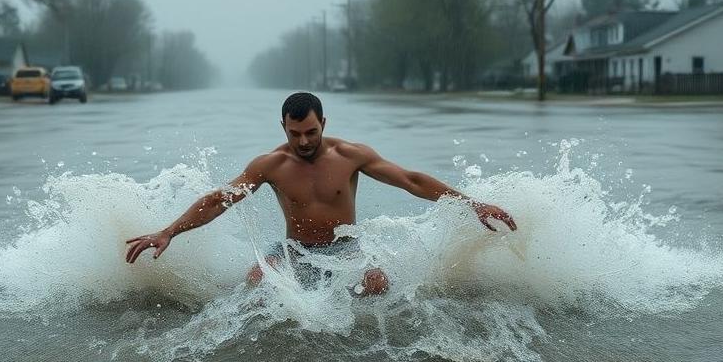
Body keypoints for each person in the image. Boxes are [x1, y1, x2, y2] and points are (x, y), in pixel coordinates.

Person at [125, 91, 517, 296]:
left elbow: (411, 180)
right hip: (295, 252)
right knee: (258, 279)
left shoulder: (351, 155)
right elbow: (218, 200)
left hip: (346, 251)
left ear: (323, 123)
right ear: (282, 126)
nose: (304, 141)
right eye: (295, 133)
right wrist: (168, 231)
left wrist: (472, 204)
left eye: (311, 132)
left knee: (378, 285)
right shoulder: (270, 165)